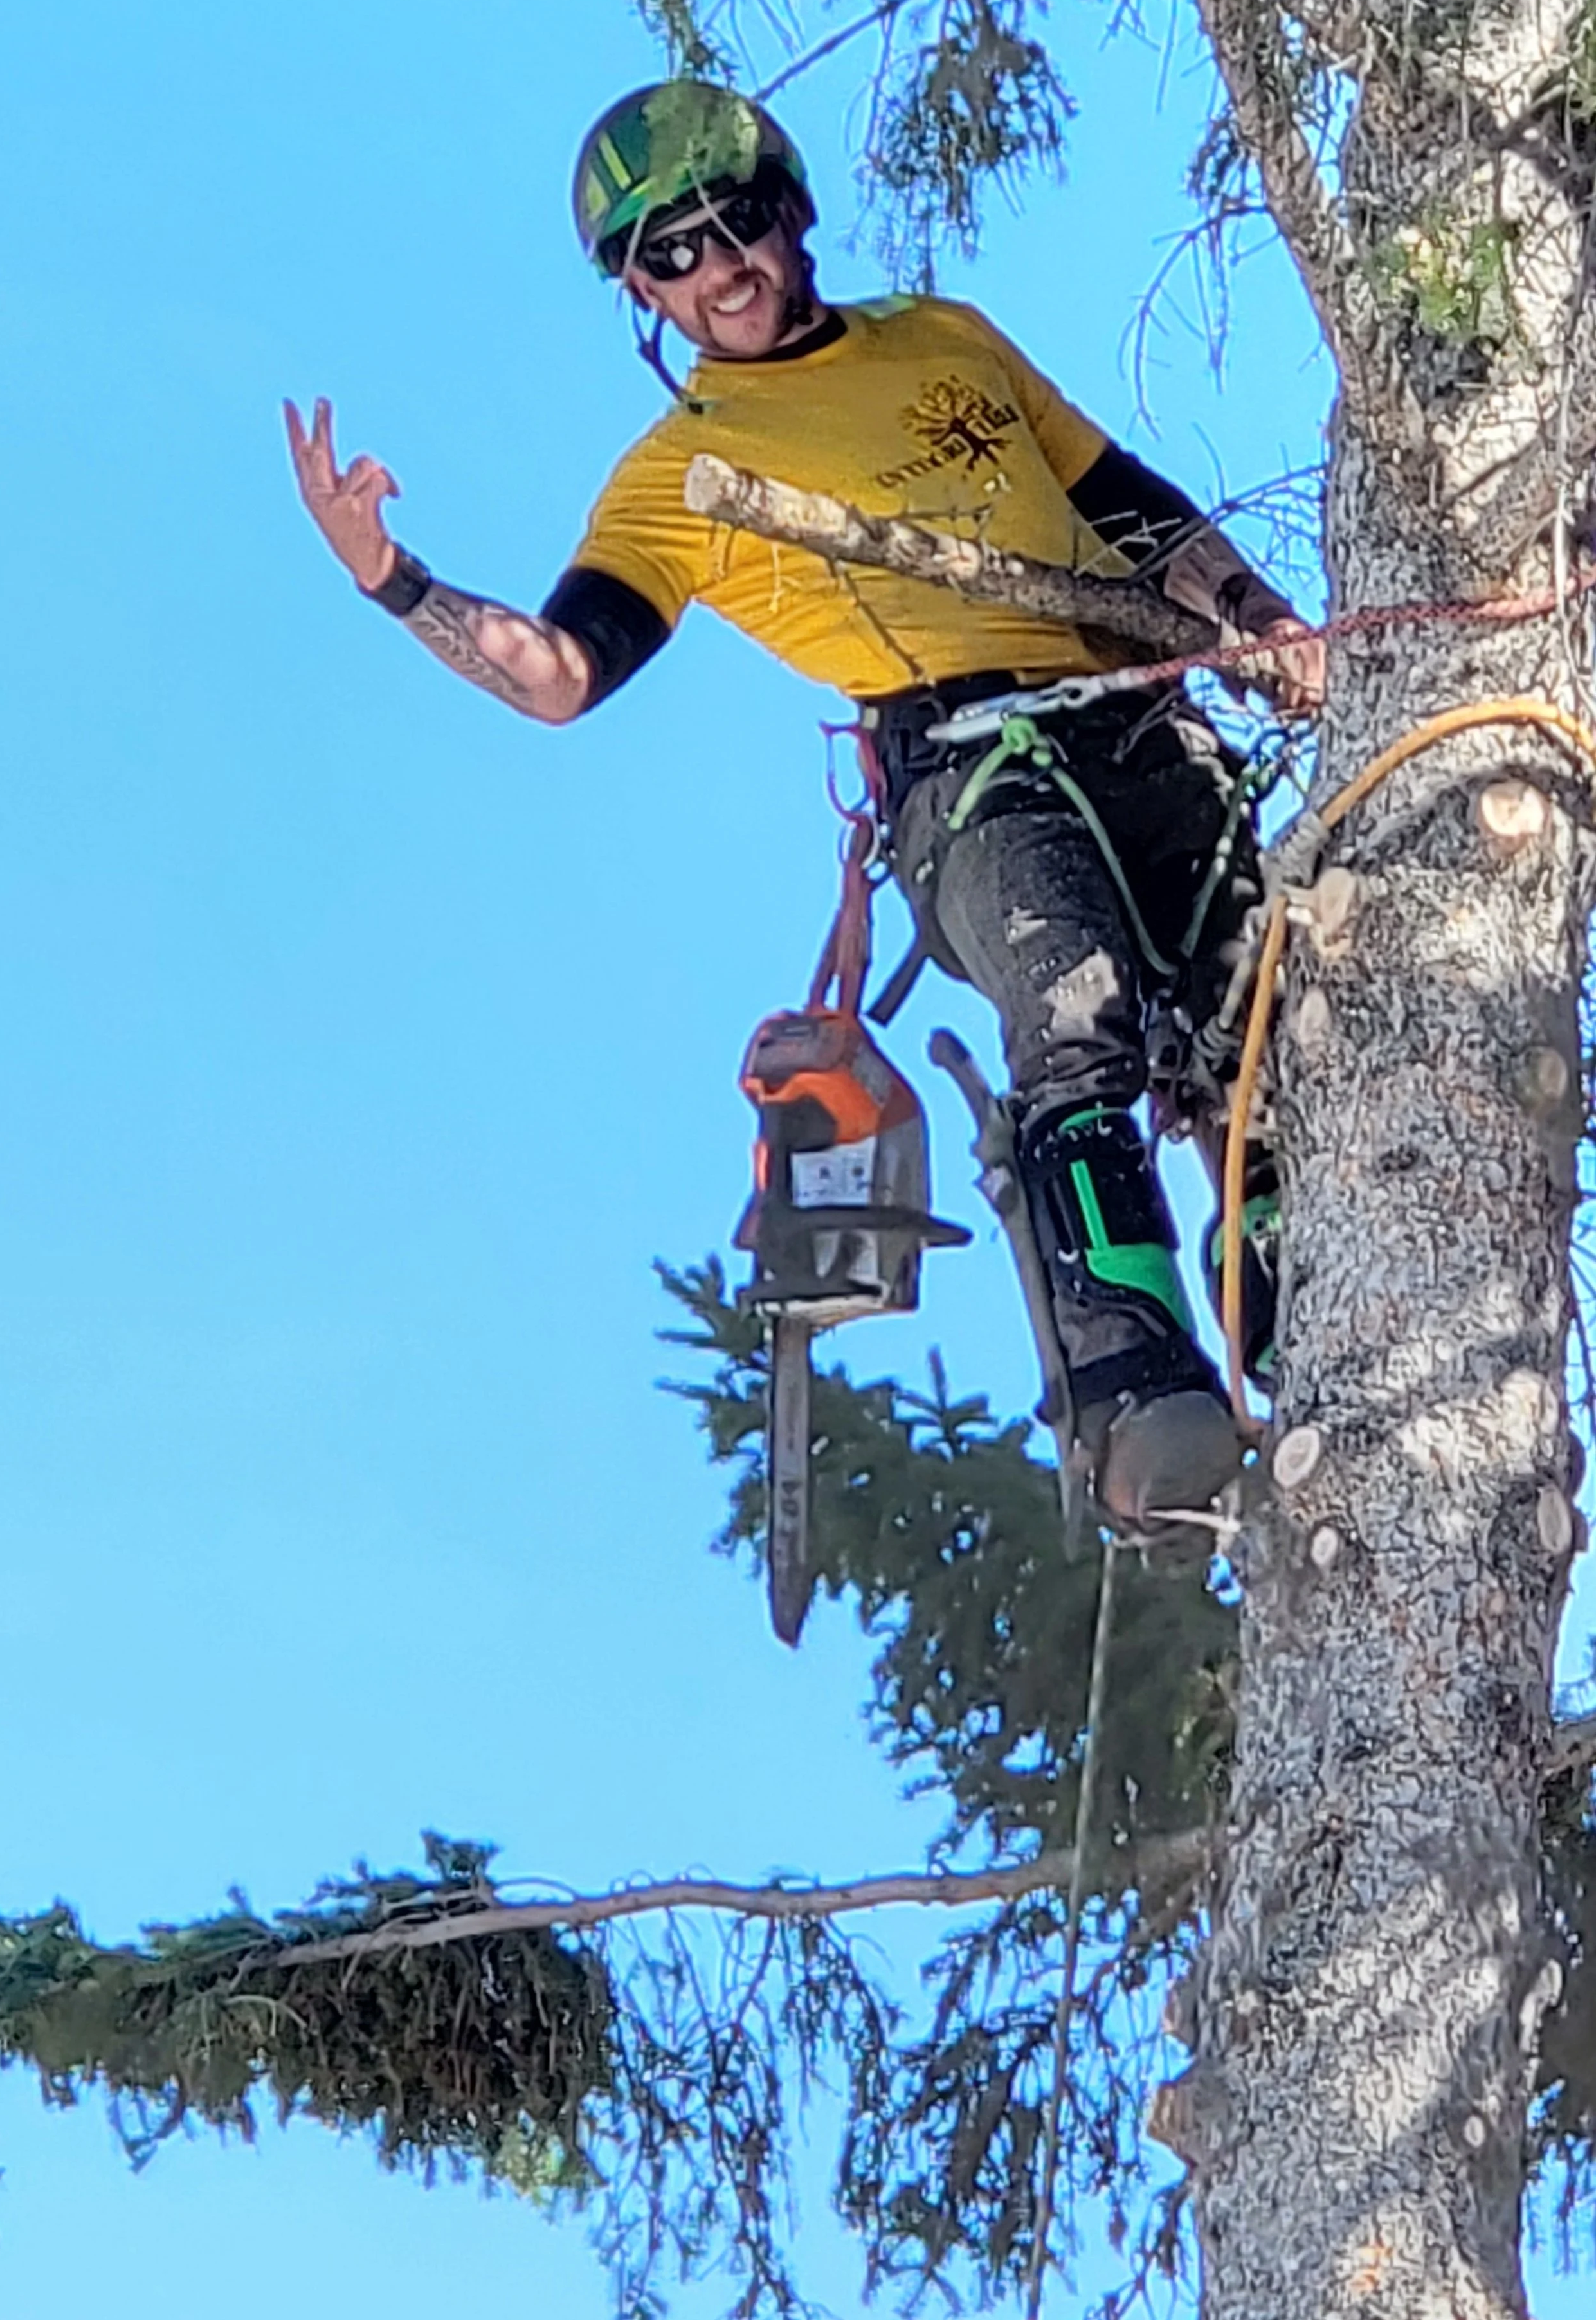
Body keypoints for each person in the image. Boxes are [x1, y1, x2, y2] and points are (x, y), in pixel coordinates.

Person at [286, 80, 1324, 1536]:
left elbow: (1127, 505)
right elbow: (562, 670)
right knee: (1071, 1013)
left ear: (792, 214)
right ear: (641, 290)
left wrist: (1259, 624)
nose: (718, 269)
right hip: (969, 768)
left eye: (736, 224)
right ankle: (1140, 1388)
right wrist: (394, 581)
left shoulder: (943, 340)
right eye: (670, 255)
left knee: (1269, 1032)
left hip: (1141, 715)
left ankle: (1323, 1348)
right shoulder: (677, 480)